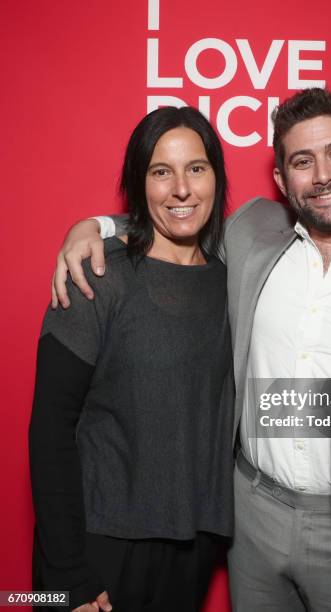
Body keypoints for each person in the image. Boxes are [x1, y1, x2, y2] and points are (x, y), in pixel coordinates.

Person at [51, 89, 331, 612]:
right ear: (281, 179)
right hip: (250, 518)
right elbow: (175, 220)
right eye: (302, 161)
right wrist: (93, 227)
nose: (322, 175)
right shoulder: (252, 233)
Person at [30, 106, 234, 612]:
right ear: (139, 182)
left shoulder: (234, 282)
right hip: (95, 547)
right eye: (161, 171)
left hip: (192, 546)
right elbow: (51, 430)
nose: (181, 189)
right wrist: (66, 574)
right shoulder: (97, 275)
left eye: (196, 168)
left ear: (216, 176)